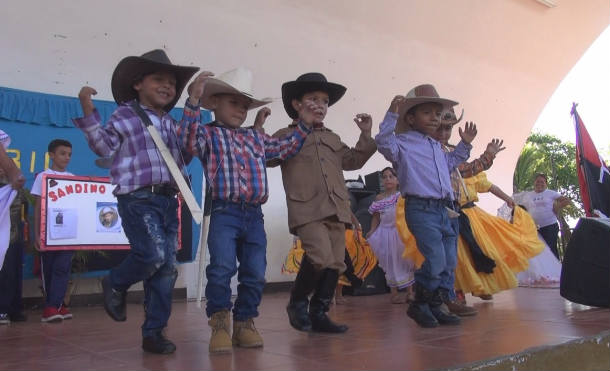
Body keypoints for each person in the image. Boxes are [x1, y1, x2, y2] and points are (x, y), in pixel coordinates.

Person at [73, 49, 204, 354]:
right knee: (153, 255)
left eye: (172, 83)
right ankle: (115, 282)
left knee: (166, 270)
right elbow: (102, 146)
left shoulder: (170, 123)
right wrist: (88, 109)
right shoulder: (126, 115)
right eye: (158, 79)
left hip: (168, 200)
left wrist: (194, 102)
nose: (167, 86)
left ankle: (154, 332)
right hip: (137, 198)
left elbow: (185, 153)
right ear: (137, 84)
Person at [179, 67, 312, 353]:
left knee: (255, 271)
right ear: (214, 104)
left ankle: (245, 322)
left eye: (244, 105)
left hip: (253, 214)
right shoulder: (206, 134)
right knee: (221, 267)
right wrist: (192, 100)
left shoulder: (256, 138)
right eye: (233, 103)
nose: (240, 110)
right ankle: (219, 324)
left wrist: (304, 123)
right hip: (223, 212)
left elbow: (283, 147)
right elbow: (187, 141)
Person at [270, 72, 376, 334]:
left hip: (337, 208)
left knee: (336, 263)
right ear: (297, 104)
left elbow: (352, 161)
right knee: (319, 256)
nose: (320, 105)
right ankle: (297, 302)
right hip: (306, 207)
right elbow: (269, 157)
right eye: (313, 99)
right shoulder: (285, 134)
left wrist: (366, 135)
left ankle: (319, 312)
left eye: (325, 101)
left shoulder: (332, 138)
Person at [375, 85, 477, 328]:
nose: (435, 118)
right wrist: (392, 113)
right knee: (435, 259)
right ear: (410, 118)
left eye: (437, 113)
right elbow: (382, 142)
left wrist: (464, 144)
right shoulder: (402, 143)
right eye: (427, 113)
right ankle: (419, 303)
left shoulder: (435, 146)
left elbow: (450, 163)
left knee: (449, 261)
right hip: (421, 209)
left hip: (445, 209)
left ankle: (436, 304)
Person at [30, 139, 75, 323]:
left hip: (68, 233)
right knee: (48, 269)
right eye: (62, 153)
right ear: (51, 155)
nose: (66, 157)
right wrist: (37, 234)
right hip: (48, 233)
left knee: (63, 268)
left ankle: (56, 305)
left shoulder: (72, 177)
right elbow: (38, 207)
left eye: (69, 154)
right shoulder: (43, 176)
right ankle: (50, 306)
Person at [366, 167, 415, 304]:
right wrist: (372, 230)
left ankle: (410, 292)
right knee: (389, 262)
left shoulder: (402, 196)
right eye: (385, 177)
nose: (387, 179)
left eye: (391, 176)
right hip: (385, 233)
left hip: (400, 232)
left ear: (398, 180)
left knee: (405, 260)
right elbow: (376, 217)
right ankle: (394, 294)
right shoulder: (379, 198)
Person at [0, 130, 28, 325]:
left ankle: (15, 308)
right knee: (4, 274)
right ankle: (3, 309)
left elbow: (22, 214)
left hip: (15, 237)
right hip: (4, 238)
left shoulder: (12, 189)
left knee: (15, 274)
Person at [523, 173, 570, 260]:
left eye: (542, 182)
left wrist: (557, 206)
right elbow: (522, 207)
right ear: (534, 183)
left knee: (551, 250)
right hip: (534, 228)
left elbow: (567, 201)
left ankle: (555, 272)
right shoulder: (528, 195)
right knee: (538, 252)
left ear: (546, 184)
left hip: (550, 226)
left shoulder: (551, 193)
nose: (539, 184)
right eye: (537, 181)